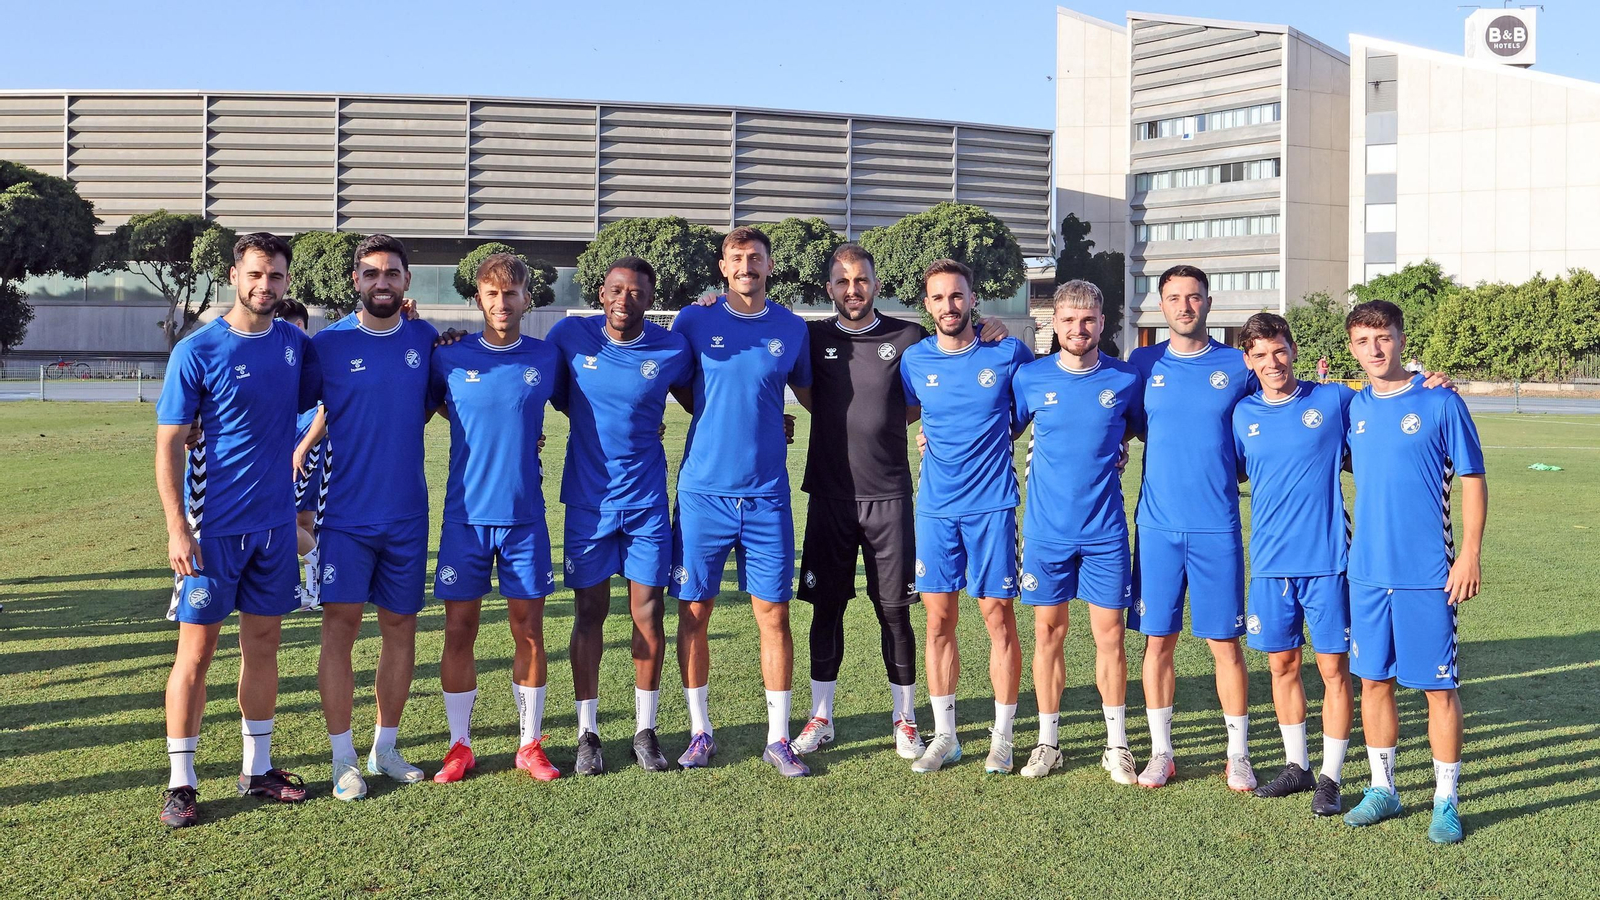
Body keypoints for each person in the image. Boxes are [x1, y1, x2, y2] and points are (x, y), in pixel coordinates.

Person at [155, 232, 320, 828]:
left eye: (276, 277)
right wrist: (178, 527)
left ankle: (257, 768)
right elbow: (169, 443)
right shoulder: (197, 351)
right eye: (256, 274)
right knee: (195, 652)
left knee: (264, 645)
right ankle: (181, 781)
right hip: (212, 529)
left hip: (275, 527)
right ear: (234, 275)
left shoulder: (296, 346)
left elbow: (333, 394)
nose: (266, 286)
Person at [668, 226, 814, 776]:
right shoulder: (694, 318)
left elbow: (805, 393)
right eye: (737, 258)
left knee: (773, 614)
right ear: (723, 267)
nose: (746, 265)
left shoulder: (791, 328)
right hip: (703, 493)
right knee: (694, 612)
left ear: (769, 266)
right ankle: (700, 730)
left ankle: (778, 738)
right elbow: (681, 383)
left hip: (766, 496)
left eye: (755, 257)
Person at [1341, 300, 1486, 844]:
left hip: (1428, 574)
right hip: (1367, 573)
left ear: (1401, 339)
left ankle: (1445, 800)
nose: (1374, 350)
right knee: (1373, 681)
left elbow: (1473, 480)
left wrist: (1468, 554)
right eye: (1362, 340)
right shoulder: (1353, 407)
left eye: (1382, 338)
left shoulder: (1441, 402)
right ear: (1351, 347)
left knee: (1436, 688)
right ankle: (1383, 788)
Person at [547, 257, 692, 775]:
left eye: (635, 292)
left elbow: (709, 398)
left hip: (647, 502)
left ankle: (645, 731)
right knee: (589, 615)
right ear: (600, 293)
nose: (623, 300)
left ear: (651, 299)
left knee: (648, 614)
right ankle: (588, 733)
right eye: (614, 290)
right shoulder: (569, 336)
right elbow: (549, 392)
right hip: (588, 503)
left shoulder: (672, 347)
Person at [426, 253, 567, 784]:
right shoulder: (449, 355)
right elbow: (440, 403)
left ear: (528, 299)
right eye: (491, 294)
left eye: (511, 294)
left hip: (525, 518)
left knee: (528, 631)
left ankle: (529, 743)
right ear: (478, 298)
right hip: (464, 518)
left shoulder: (547, 357)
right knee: (458, 630)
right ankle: (459, 745)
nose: (502, 304)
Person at [789, 243, 930, 760]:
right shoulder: (812, 337)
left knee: (894, 611)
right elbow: (808, 396)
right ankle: (821, 717)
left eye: (862, 280)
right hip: (829, 494)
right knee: (825, 608)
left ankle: (906, 719)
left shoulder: (908, 335)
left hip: (890, 496)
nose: (853, 289)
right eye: (843, 282)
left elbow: (921, 398)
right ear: (829, 288)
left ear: (876, 283)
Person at [311, 234, 439, 800]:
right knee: (339, 631)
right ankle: (343, 758)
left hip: (408, 515)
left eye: (391, 273)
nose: (381, 282)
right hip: (344, 518)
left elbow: (444, 396)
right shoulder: (329, 345)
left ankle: (385, 747)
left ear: (406, 281)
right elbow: (286, 406)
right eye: (371, 274)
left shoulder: (427, 340)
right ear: (355, 281)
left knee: (401, 629)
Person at [899, 259, 1034, 775]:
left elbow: (1028, 414)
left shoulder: (1006, 352)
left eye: (957, 296)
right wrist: (927, 435)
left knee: (997, 617)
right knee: (938, 620)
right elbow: (915, 412)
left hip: (992, 506)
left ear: (973, 299)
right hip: (935, 509)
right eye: (938, 298)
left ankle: (1002, 738)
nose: (948, 306)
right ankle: (947, 736)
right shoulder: (914, 360)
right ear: (927, 304)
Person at [1126, 265, 1257, 791]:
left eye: (1194, 297)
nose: (1185, 306)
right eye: (1175, 298)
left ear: (1209, 302)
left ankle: (1239, 753)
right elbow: (1120, 419)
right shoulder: (1142, 362)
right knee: (1158, 641)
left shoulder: (1238, 363)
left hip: (1216, 527)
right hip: (1157, 528)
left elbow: (1278, 401)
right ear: (1161, 305)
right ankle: (1162, 752)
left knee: (1225, 644)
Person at [1011, 280, 1142, 782]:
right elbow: (1004, 426)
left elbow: (1132, 426)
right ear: (1054, 323)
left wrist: (1118, 447)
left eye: (1087, 320)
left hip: (1106, 531)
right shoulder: (1030, 377)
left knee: (1109, 637)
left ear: (1102, 323)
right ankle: (1048, 742)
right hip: (1047, 533)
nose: (1078, 329)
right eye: (1068, 320)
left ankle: (1117, 744)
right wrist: (929, 431)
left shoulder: (1125, 378)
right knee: (1049, 634)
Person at [1231, 313, 1354, 816]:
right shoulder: (1241, 414)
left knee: (1333, 672)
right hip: (1270, 564)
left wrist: (1431, 380)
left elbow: (1389, 400)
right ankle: (1297, 766)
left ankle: (1331, 775)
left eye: (1278, 350)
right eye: (1260, 354)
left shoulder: (1332, 400)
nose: (1272, 361)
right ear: (1248, 361)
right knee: (1282, 666)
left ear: (1294, 350)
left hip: (1328, 560)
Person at [277, 299, 327, 611]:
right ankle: (313, 590)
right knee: (302, 521)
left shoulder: (313, 357)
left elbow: (327, 408)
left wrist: (302, 447)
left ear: (296, 327)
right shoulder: (287, 358)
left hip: (305, 451)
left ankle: (319, 582)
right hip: (293, 450)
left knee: (286, 522)